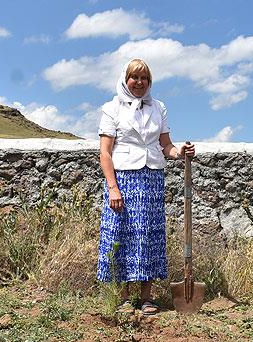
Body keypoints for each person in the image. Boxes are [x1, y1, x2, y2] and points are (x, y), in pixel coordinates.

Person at [96, 58, 195, 315]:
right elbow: (105, 153)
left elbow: (166, 146)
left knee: (148, 235)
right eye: (134, 77)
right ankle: (124, 298)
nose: (139, 83)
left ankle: (147, 297)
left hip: (151, 178)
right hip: (123, 179)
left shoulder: (158, 107)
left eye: (144, 78)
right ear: (125, 79)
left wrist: (180, 152)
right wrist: (113, 188)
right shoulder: (111, 108)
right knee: (122, 234)